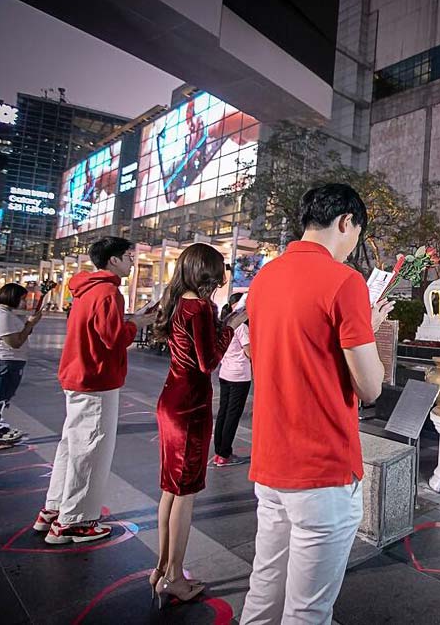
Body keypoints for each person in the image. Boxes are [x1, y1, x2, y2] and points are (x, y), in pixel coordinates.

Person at [241, 184, 394, 624]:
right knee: (308, 610)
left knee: (264, 590)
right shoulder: (344, 281)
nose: (353, 247)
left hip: (270, 461)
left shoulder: (265, 277)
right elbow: (371, 387)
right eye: (357, 235)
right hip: (322, 469)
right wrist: (368, 329)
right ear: (346, 222)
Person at [34, 237, 151, 544]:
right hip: (96, 378)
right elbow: (114, 338)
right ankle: (75, 521)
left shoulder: (86, 289)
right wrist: (138, 323)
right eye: (128, 256)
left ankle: (54, 508)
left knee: (72, 445)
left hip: (77, 374)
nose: (132, 262)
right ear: (113, 259)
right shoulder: (108, 292)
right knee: (90, 449)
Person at [150, 243, 245, 606]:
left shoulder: (178, 301)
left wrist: (225, 321)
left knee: (170, 491)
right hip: (190, 408)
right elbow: (209, 361)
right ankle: (174, 577)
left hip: (171, 400)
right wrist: (232, 325)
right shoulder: (200, 307)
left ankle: (162, 569)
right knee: (185, 494)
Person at [0, 284, 41, 451]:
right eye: (23, 299)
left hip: (9, 361)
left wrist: (29, 324)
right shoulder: (1, 314)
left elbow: (20, 334)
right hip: (3, 361)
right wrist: (29, 324)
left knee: (0, 400)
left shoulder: (7, 313)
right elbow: (14, 342)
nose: (24, 302)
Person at [213, 292, 251, 467]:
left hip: (225, 373)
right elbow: (249, 352)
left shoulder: (224, 324)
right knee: (233, 415)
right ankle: (225, 454)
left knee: (223, 412)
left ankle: (219, 451)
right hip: (240, 375)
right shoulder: (241, 327)